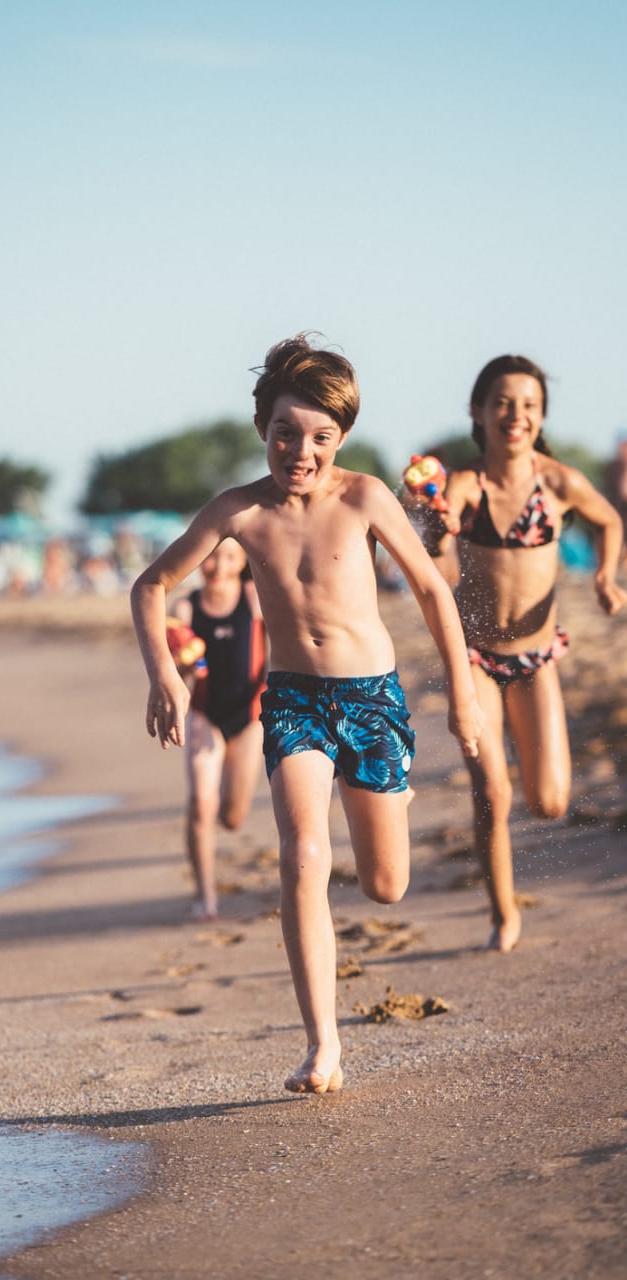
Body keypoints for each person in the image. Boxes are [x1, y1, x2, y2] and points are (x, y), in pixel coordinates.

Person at [131, 335, 483, 1096]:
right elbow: (151, 585)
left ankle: (391, 798)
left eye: (321, 436)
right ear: (263, 427)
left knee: (386, 886)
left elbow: (430, 591)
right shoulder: (239, 511)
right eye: (287, 431)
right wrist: (163, 673)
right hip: (292, 702)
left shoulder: (363, 498)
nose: (301, 449)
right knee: (302, 857)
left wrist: (463, 695)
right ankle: (323, 1047)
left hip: (371, 700)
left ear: (342, 439)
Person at [418, 355, 625, 952]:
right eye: (503, 403)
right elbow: (440, 532)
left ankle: (511, 888)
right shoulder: (466, 483)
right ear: (479, 413)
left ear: (540, 417)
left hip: (537, 660)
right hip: (476, 657)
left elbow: (608, 520)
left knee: (551, 801)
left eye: (529, 405)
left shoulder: (558, 482)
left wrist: (605, 578)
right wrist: (437, 523)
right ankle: (503, 913)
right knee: (492, 792)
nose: (517, 415)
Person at [170, 537, 267, 921]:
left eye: (229, 557)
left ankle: (226, 821)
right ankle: (205, 897)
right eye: (211, 558)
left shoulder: (254, 598)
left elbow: (283, 650)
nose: (219, 566)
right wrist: (184, 664)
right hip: (205, 714)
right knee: (200, 803)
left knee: (232, 817)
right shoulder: (185, 607)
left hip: (249, 717)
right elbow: (174, 673)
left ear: (242, 559)